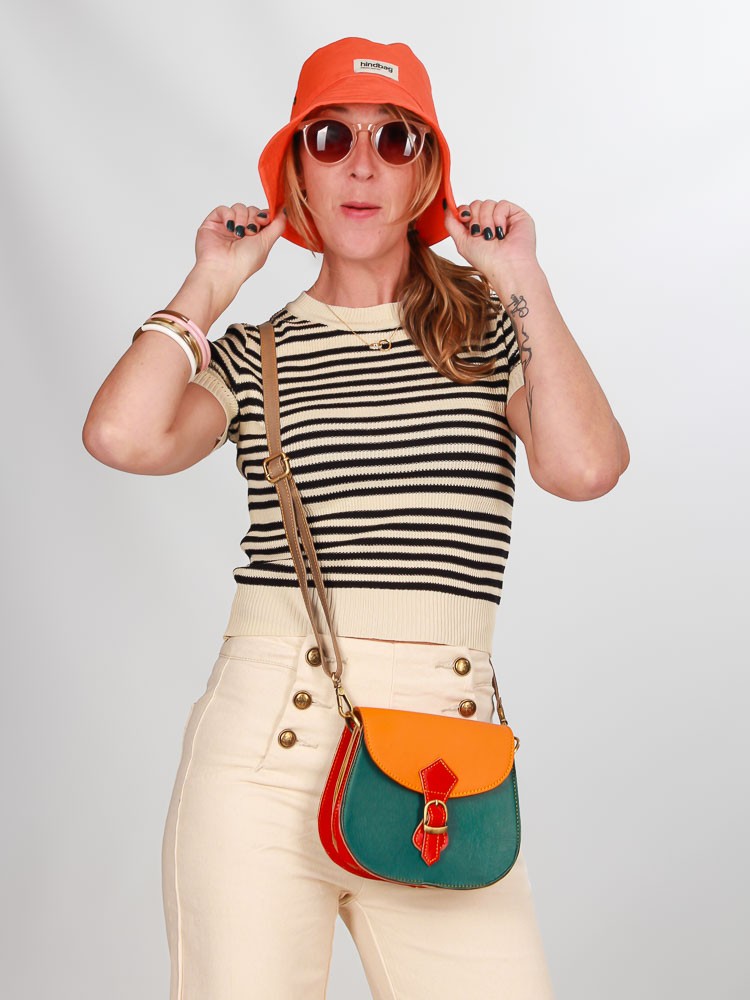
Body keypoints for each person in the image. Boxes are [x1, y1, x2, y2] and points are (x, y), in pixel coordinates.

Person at [82, 35, 629, 1000]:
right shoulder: (257, 354)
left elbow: (584, 468)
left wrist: (523, 280)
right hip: (265, 744)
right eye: (331, 138)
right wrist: (212, 282)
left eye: (396, 140)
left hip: (441, 765)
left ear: (427, 174)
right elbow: (122, 436)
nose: (364, 166)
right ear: (297, 170)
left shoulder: (491, 333)